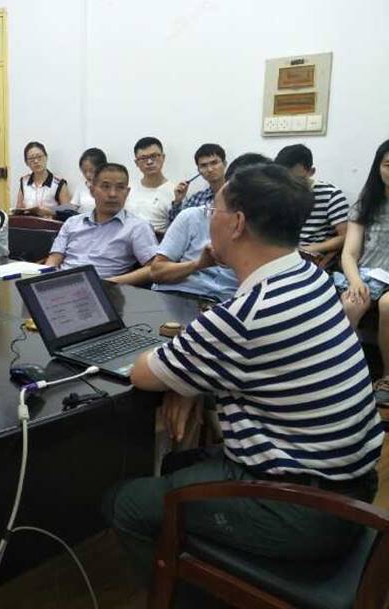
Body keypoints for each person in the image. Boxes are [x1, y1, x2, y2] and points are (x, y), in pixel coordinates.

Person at [106, 163, 384, 600]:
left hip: (303, 511)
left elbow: (142, 372)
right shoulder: (310, 276)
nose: (208, 220)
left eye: (213, 211)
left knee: (127, 503)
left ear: (236, 224)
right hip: (352, 485)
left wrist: (183, 371)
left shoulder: (246, 314)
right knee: (180, 466)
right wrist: (191, 379)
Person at [150, 154, 270, 303]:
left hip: (223, 303)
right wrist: (199, 264)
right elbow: (157, 272)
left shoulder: (265, 233)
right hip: (174, 294)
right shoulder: (192, 216)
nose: (210, 169)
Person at [336, 139, 389, 406]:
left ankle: (387, 377)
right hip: (369, 274)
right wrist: (355, 280)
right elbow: (349, 253)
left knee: (388, 305)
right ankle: (340, 371)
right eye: (388, 165)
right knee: (351, 302)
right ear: (378, 167)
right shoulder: (366, 204)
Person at [45, 162, 158, 284]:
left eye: (120, 187)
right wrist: (44, 279)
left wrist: (109, 283)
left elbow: (153, 267)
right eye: (105, 187)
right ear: (92, 190)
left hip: (104, 288)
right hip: (62, 284)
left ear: (127, 192)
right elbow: (54, 258)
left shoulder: (137, 227)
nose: (113, 194)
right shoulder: (72, 222)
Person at [275, 144, 348, 259]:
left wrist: (311, 249)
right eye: (285, 179)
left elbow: (346, 236)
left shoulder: (331, 195)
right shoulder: (277, 193)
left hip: (314, 255)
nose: (291, 185)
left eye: (298, 179)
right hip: (284, 253)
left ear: (311, 171)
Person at [124, 137, 174, 234]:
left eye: (154, 156)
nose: (149, 162)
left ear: (163, 158)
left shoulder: (175, 192)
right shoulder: (128, 190)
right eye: (143, 158)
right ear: (136, 163)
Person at [168, 143, 227, 223]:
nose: (209, 169)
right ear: (199, 171)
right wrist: (178, 201)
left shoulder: (238, 193)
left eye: (214, 163)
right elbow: (178, 224)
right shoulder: (196, 199)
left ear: (224, 164)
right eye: (204, 165)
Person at [15, 142, 71, 217]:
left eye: (39, 157)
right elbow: (18, 210)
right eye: (31, 158)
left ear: (46, 157)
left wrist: (49, 212)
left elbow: (68, 211)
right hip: (28, 223)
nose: (36, 161)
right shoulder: (24, 181)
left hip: (50, 223)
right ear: (26, 163)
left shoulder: (58, 183)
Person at [70, 147, 107, 216]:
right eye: (84, 171)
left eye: (91, 171)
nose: (88, 175)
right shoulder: (81, 186)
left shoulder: (109, 187)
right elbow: (72, 208)